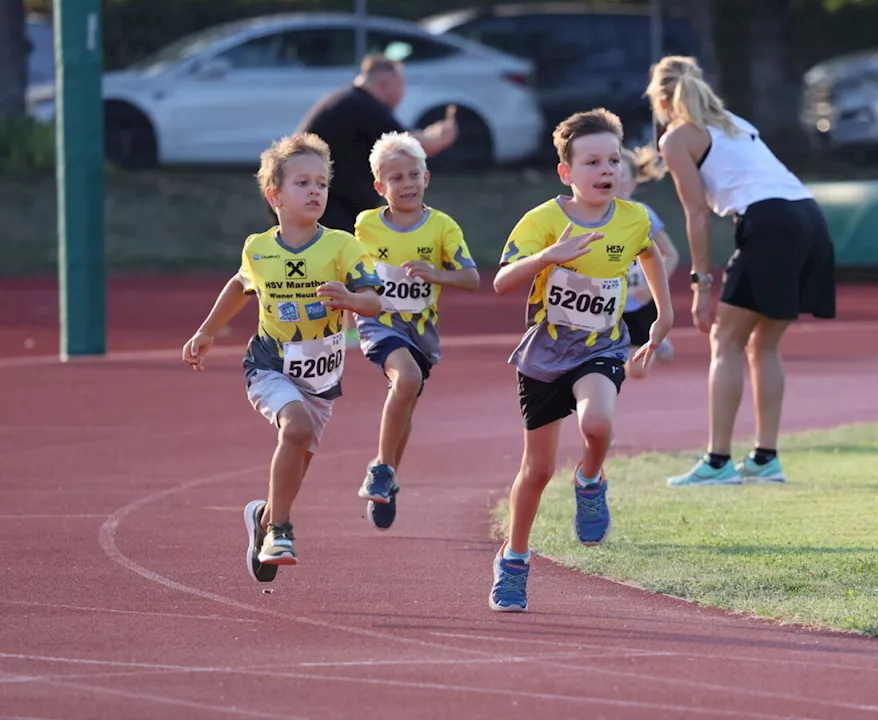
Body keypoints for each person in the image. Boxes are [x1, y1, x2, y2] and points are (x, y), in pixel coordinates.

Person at [488, 108, 675, 612]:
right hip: (546, 353)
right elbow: (503, 282)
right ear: (566, 173)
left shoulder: (632, 218)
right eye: (592, 162)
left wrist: (663, 313)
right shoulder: (543, 221)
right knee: (537, 469)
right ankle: (514, 559)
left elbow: (650, 254)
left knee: (597, 421)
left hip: (602, 347)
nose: (607, 170)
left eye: (614, 159)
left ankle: (590, 480)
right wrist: (550, 256)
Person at [181, 133, 383, 582]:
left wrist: (350, 298)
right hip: (269, 365)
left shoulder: (342, 247)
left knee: (295, 463)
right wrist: (208, 330)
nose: (315, 191)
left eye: (322, 183)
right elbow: (240, 284)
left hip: (321, 379)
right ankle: (281, 530)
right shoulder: (259, 248)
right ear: (274, 195)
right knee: (295, 427)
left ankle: (264, 517)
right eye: (302, 183)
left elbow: (375, 303)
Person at [644, 55, 836, 488]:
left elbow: (697, 215)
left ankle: (717, 462)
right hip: (810, 219)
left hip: (771, 223)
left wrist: (699, 284)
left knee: (725, 339)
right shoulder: (733, 120)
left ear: (661, 98)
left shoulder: (676, 137)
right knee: (763, 345)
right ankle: (766, 458)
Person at [352, 131, 480, 530]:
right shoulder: (366, 226)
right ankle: (382, 469)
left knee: (406, 398)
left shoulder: (442, 227)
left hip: (421, 330)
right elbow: (348, 267)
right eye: (396, 178)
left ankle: (387, 473)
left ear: (426, 178)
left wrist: (436, 274)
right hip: (379, 322)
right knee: (405, 379)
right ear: (380, 186)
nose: (406, 184)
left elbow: (472, 278)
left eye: (413, 175)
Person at [298, 53, 459, 234]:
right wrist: (441, 136)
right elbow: (409, 147)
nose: (402, 93)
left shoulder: (349, 100)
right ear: (385, 84)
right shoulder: (361, 105)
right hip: (324, 208)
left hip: (317, 203)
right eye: (400, 86)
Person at [618, 146, 679, 379]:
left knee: (636, 371)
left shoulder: (642, 214)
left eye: (622, 176)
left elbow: (670, 254)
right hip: (608, 302)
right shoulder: (594, 216)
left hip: (640, 301)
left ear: (634, 182)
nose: (615, 182)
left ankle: (658, 340)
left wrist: (651, 289)